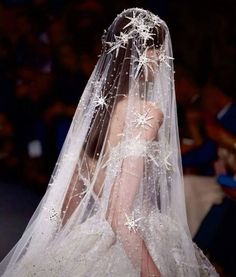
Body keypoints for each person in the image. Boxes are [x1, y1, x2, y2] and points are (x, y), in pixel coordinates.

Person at [0, 8, 218, 276]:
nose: (163, 58)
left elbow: (71, 192)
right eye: (158, 49)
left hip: (93, 233)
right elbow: (120, 214)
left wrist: (61, 243)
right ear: (143, 53)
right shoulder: (146, 114)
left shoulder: (97, 113)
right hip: (133, 239)